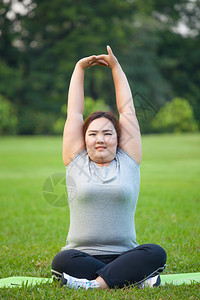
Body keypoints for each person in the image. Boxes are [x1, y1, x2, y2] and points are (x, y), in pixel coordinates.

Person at [51, 46, 167, 290]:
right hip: (81, 256)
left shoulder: (128, 160)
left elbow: (127, 110)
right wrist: (79, 68)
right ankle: (133, 280)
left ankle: (95, 284)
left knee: (155, 252)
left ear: (118, 138)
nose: (100, 139)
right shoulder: (76, 161)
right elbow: (74, 113)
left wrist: (115, 66)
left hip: (125, 255)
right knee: (62, 260)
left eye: (107, 133)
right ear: (84, 140)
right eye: (92, 134)